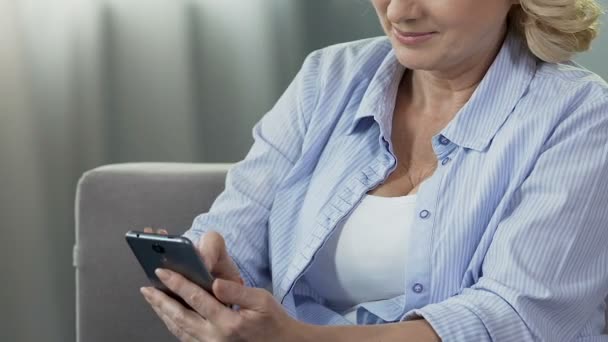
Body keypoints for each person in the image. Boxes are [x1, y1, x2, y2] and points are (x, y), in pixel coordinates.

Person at [139, 0, 608, 340]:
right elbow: (236, 227)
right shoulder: (328, 78)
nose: (399, 11)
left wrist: (296, 341)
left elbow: (516, 317)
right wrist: (211, 277)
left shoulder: (580, 113)